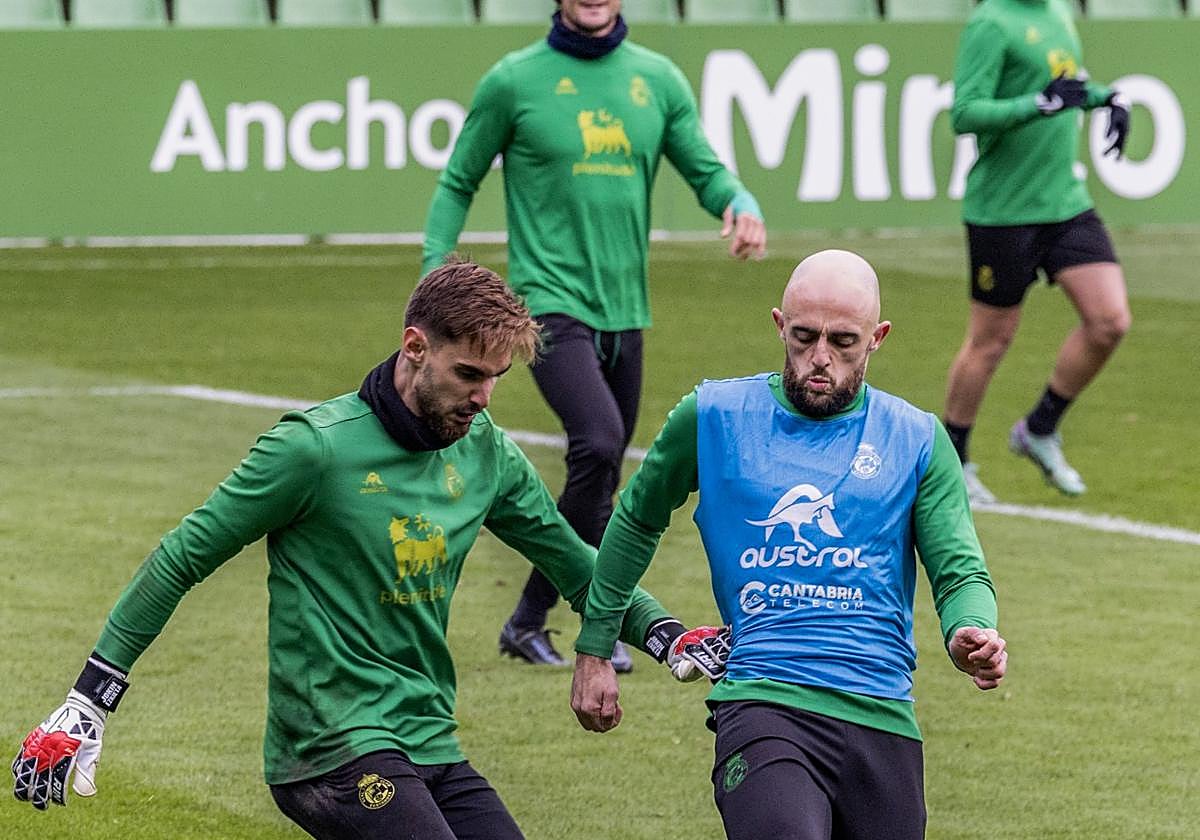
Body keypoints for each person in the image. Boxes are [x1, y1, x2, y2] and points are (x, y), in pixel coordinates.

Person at [11, 259, 712, 840]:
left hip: (428, 739)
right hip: (328, 748)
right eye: (469, 374)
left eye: (496, 377)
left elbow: (574, 563)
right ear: (415, 347)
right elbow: (181, 556)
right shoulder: (312, 449)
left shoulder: (486, 453)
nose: (485, 397)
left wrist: (664, 632)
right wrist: (91, 699)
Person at [570, 250, 1008, 840]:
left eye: (843, 341)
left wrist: (969, 630)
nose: (820, 357)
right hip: (763, 701)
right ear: (780, 326)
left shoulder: (918, 438)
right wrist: (595, 647)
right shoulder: (714, 416)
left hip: (883, 712)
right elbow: (635, 521)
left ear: (877, 338)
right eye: (804, 336)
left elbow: (959, 572)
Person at [422, 0, 767, 670]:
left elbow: (704, 170)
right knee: (600, 442)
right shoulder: (514, 81)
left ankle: (531, 622)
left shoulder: (657, 79)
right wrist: (435, 267)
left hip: (626, 313)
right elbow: (457, 180)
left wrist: (740, 201)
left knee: (601, 478)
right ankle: (591, 623)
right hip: (548, 304)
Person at [943, 0, 1132, 504]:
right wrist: (1036, 104)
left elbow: (1066, 87)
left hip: (1065, 203)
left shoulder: (1058, 13)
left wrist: (1107, 98)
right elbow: (964, 113)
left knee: (1109, 321)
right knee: (990, 340)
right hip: (1003, 212)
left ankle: (1040, 429)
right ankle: (952, 461)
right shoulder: (991, 22)